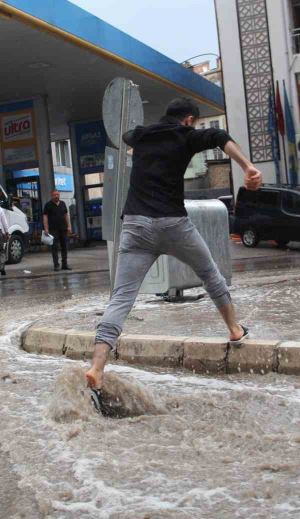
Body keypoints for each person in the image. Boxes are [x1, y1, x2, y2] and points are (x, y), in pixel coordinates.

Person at [84, 97, 262, 391]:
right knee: (210, 274)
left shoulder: (141, 136)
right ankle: (234, 329)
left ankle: (96, 367)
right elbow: (220, 137)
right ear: (189, 120)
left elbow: (127, 137)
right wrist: (248, 166)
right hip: (173, 224)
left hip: (136, 225)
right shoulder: (186, 136)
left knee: (121, 297)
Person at [42, 190, 72, 271]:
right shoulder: (48, 205)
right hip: (53, 229)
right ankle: (56, 265)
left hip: (63, 228)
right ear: (52, 196)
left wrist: (69, 226)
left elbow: (66, 215)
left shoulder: (63, 203)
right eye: (55, 195)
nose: (56, 196)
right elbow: (45, 217)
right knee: (54, 247)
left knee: (64, 247)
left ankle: (64, 264)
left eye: (57, 194)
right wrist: (46, 228)